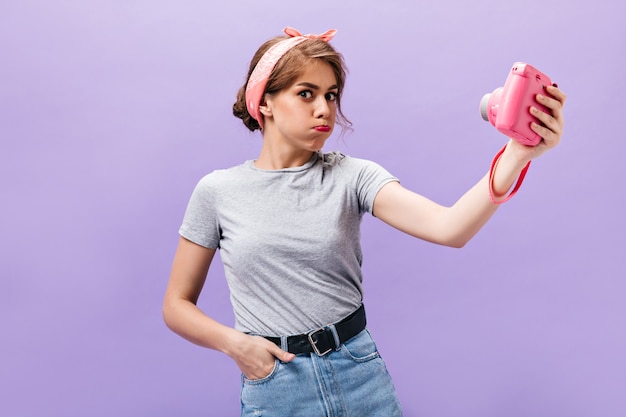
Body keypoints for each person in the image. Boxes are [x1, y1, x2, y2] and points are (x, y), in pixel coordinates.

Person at [162, 27, 566, 416]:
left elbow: (450, 228)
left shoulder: (353, 176)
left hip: (359, 374)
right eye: (306, 94)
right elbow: (177, 305)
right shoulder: (217, 191)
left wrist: (515, 155)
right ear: (264, 101)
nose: (325, 109)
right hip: (276, 386)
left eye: (331, 95)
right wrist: (236, 345)